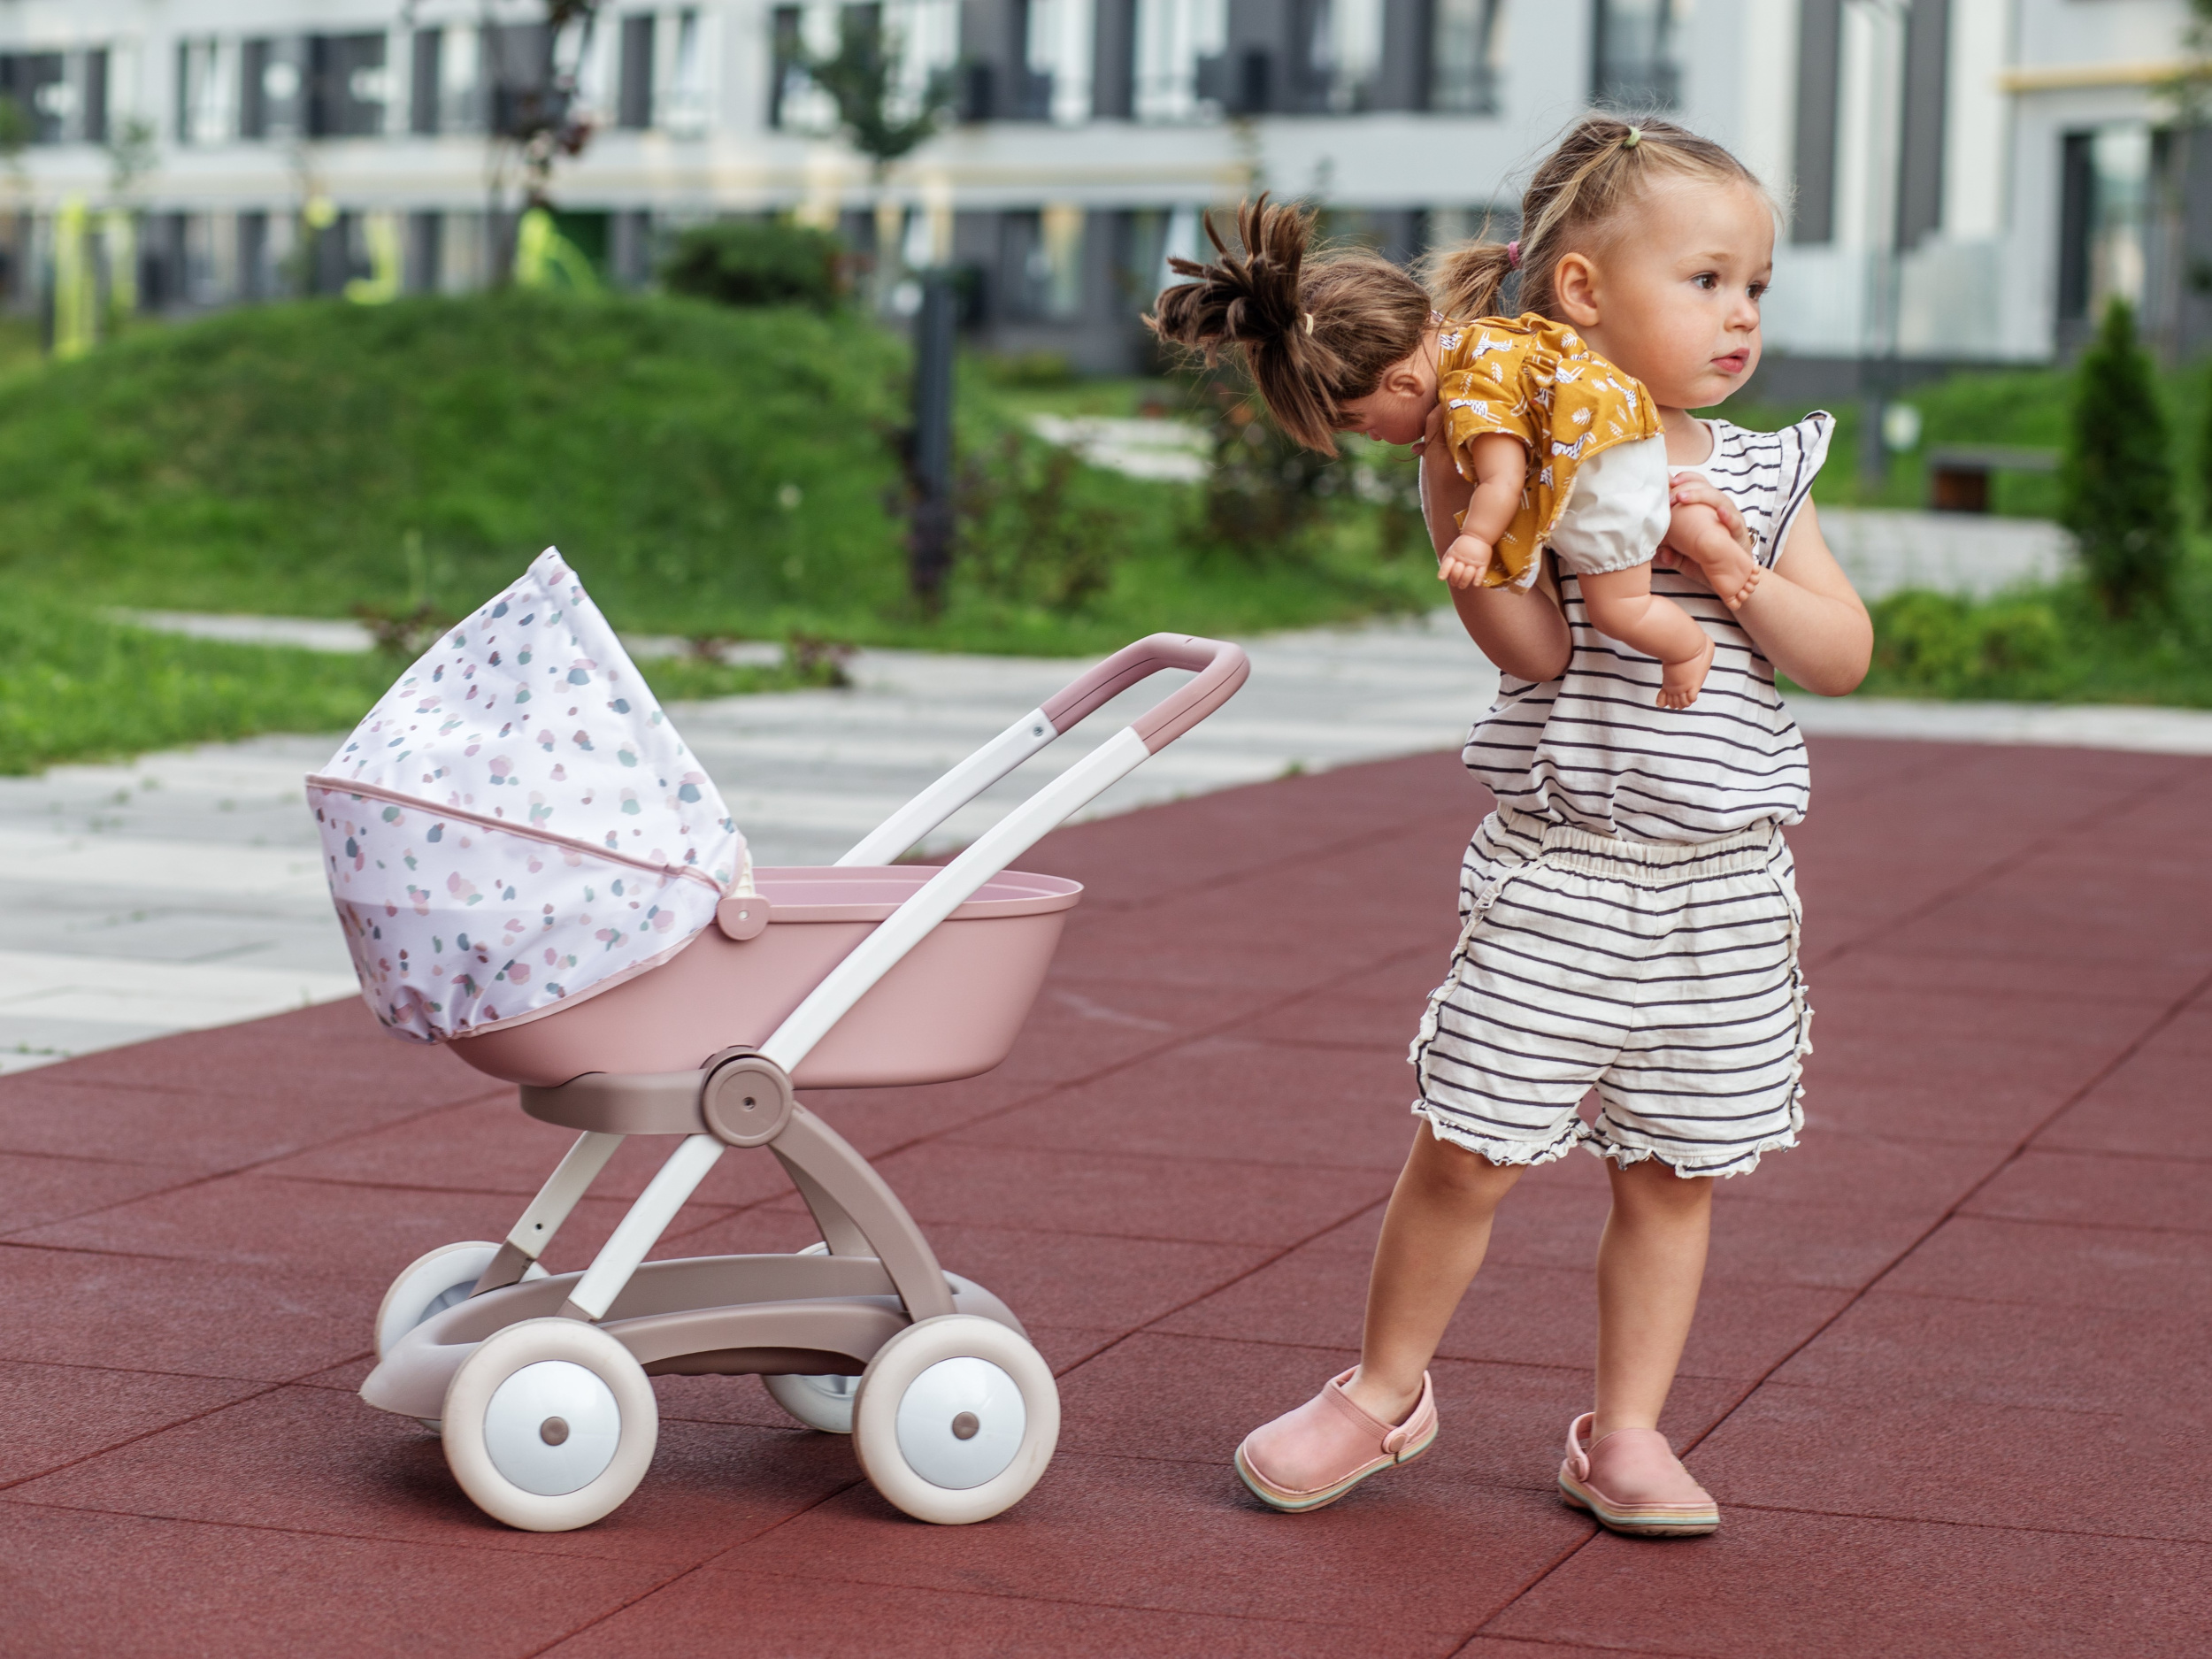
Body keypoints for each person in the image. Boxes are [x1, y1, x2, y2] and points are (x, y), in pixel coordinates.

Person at [1148, 114, 1872, 1536]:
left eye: (1757, 287)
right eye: (1709, 280)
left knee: (1674, 1171)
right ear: (1587, 294)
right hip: (1568, 871)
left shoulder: (1762, 470)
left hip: (1723, 889)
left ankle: (1630, 1435)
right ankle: (1382, 1391)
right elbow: (1535, 658)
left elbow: (1839, 655)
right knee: (1471, 1146)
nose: (1740, 316)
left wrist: (1727, 562)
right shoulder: (1512, 447)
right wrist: (1464, 515)